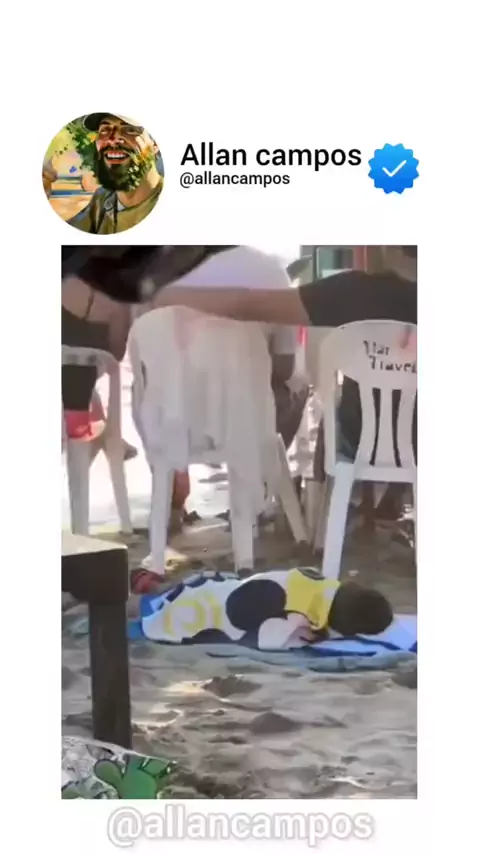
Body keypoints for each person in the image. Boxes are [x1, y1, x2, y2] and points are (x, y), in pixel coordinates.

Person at [141, 566, 393, 648]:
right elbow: (269, 638)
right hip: (201, 610)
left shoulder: (316, 578)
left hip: (214, 589)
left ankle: (153, 588)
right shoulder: (298, 617)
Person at [45, 114, 163, 234]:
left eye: (130, 130)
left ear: (155, 144)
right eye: (105, 129)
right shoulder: (103, 199)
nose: (112, 139)